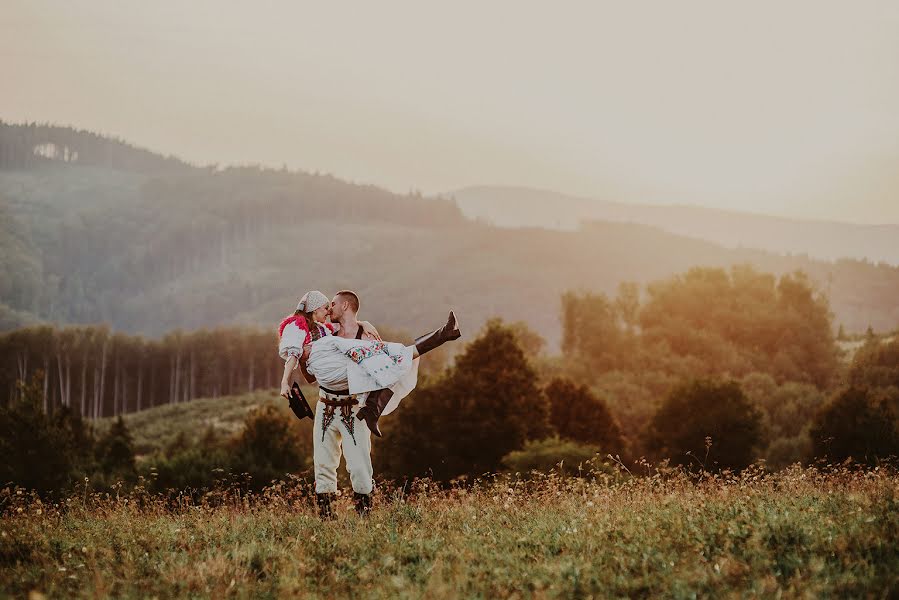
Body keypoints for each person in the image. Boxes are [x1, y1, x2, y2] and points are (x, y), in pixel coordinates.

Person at [278, 290, 460, 517]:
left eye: (332, 304)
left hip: (354, 407)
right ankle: (325, 516)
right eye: (326, 306)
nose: (328, 309)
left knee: (359, 464)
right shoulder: (327, 332)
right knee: (323, 462)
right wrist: (302, 364)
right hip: (326, 404)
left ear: (344, 306)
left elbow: (381, 361)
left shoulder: (365, 336)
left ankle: (364, 514)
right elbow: (310, 370)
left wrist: (363, 324)